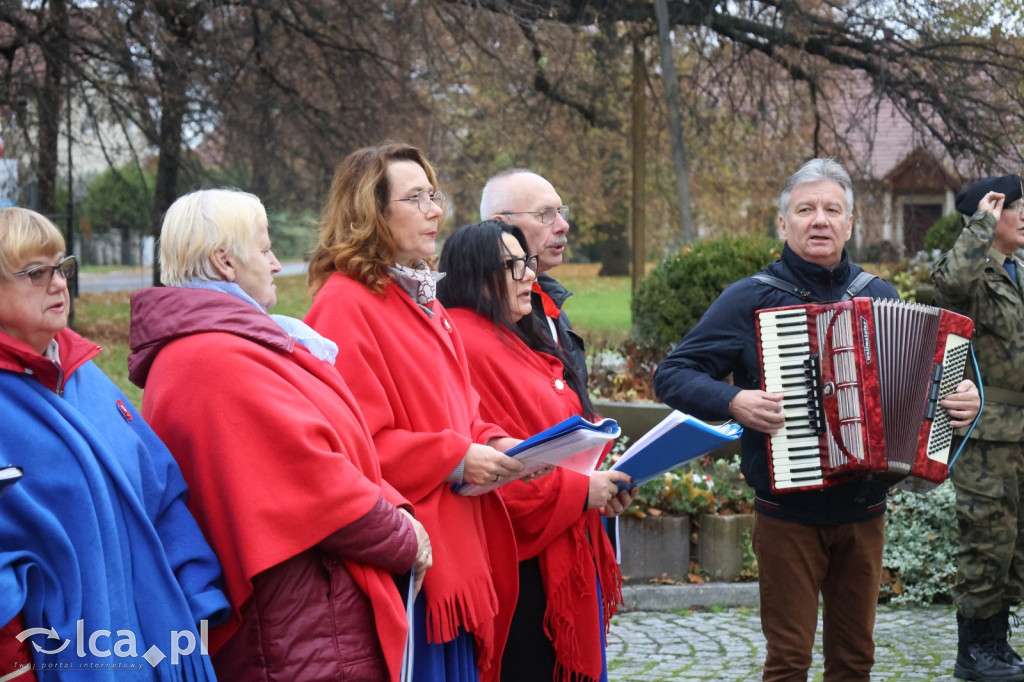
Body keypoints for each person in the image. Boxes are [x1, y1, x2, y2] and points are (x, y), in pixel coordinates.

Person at [653, 157, 982, 682]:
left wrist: (957, 404)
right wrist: (735, 402)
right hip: (788, 515)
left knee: (855, 660)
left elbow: (924, 394)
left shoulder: (880, 296)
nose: (820, 220)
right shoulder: (750, 298)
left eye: (833, 209)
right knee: (788, 661)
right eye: (805, 209)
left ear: (851, 224)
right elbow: (672, 374)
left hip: (866, 508)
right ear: (783, 224)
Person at [126, 188, 428, 681]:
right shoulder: (213, 358)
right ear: (225, 262)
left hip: (304, 616)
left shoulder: (226, 345)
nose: (275, 264)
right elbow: (316, 481)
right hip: (298, 627)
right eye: (264, 250)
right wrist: (403, 536)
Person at [304, 143, 523, 682]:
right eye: (416, 197)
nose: (435, 210)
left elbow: (461, 406)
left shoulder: (420, 296)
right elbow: (354, 444)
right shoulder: (344, 302)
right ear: (371, 213)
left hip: (458, 544)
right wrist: (455, 457)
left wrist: (493, 443)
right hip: (416, 559)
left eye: (434, 194)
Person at [0, 207, 229, 680]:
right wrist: (15, 667)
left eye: (61, 267)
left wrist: (198, 600)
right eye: (35, 273)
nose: (59, 284)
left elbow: (161, 495)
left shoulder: (85, 377)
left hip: (162, 649)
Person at [436, 220, 638, 682]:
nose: (531, 274)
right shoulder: (468, 342)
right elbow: (492, 468)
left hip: (554, 544)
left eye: (528, 261)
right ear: (477, 274)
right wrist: (579, 491)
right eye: (515, 265)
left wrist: (598, 488)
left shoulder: (508, 334)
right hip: (522, 564)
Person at [932, 175, 1024, 682]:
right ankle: (974, 652)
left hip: (1021, 429)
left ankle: (997, 644)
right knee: (986, 542)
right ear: (987, 218)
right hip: (985, 432)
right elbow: (947, 284)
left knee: (1013, 547)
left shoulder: (1018, 272)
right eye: (1014, 206)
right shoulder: (972, 273)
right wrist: (981, 225)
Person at [480, 169, 588, 382]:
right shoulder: (486, 310)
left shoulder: (550, 298)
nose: (563, 226)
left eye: (560, 212)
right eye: (545, 214)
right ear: (501, 225)